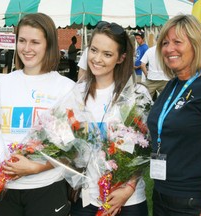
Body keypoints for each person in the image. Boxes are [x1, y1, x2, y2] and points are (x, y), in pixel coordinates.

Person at [0, 13, 75, 216]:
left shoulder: (66, 89)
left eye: (35, 42)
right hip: (4, 189)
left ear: (49, 44)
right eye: (22, 40)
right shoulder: (3, 85)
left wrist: (36, 168)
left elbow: (72, 149)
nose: (26, 48)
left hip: (46, 188)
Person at [147, 14, 201, 216]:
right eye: (164, 42)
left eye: (177, 42)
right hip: (161, 198)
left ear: (196, 44)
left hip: (195, 203)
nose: (168, 48)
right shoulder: (172, 86)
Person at [70, 21, 150, 216]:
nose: (97, 59)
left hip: (128, 200)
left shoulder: (137, 95)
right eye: (94, 50)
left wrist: (128, 188)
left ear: (121, 58)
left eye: (107, 54)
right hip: (87, 198)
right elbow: (68, 143)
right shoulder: (77, 93)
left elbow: (145, 149)